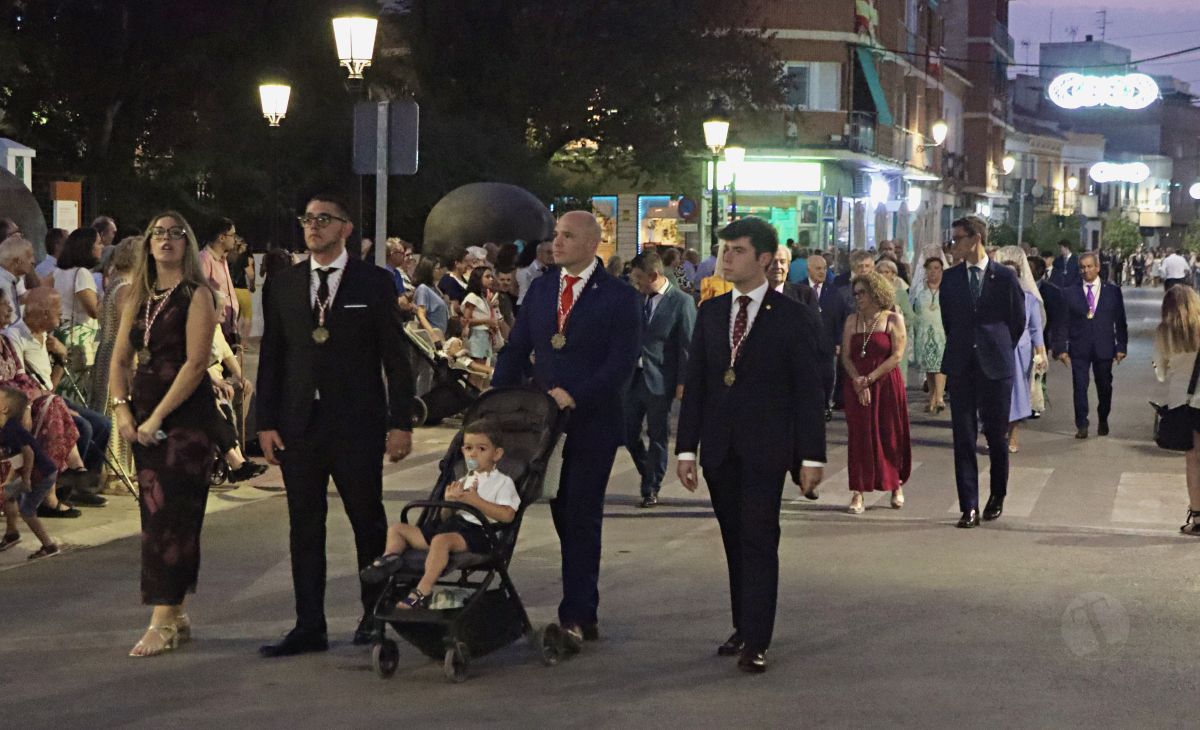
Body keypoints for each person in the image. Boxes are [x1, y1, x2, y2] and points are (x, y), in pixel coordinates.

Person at [256, 193, 414, 658]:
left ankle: (374, 616)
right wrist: (265, 421)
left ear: (345, 228)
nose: (313, 226)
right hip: (300, 423)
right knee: (304, 526)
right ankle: (309, 625)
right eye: (307, 219)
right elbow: (272, 357)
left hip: (356, 422)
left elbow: (395, 358)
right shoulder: (284, 283)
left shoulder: (373, 282)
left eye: (324, 219)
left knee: (367, 520)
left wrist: (400, 422)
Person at [675, 216, 826, 674]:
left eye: (737, 250)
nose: (727, 258)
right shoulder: (712, 312)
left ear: (763, 258)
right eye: (724, 250)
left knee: (759, 539)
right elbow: (697, 384)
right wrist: (686, 449)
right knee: (733, 539)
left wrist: (811, 456)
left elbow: (809, 391)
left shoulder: (793, 317)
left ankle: (758, 638)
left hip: (767, 446)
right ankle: (743, 623)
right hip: (721, 447)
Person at [492, 210, 641, 651]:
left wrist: (576, 395)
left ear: (593, 244)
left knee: (580, 513)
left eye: (568, 236)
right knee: (559, 512)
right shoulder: (541, 289)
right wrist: (496, 399)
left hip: (591, 422)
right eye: (555, 235)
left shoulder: (618, 296)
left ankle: (577, 613)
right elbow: (517, 348)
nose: (556, 243)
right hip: (541, 424)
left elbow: (620, 362)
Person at [107, 211, 221, 657]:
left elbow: (196, 364)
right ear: (148, 244)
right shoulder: (137, 295)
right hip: (143, 413)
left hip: (185, 420)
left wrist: (156, 418)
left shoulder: (197, 295)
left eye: (176, 234)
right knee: (154, 516)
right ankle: (176, 612)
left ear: (187, 243)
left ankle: (162, 620)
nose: (166, 240)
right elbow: (120, 358)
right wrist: (121, 409)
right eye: (158, 233)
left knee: (174, 519)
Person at [360, 419, 519, 604]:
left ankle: (422, 589)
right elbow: (445, 517)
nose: (473, 454)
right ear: (462, 451)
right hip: (453, 527)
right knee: (397, 529)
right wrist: (449, 502)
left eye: (481, 449)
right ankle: (389, 559)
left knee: (441, 541)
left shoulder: (503, 482)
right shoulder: (463, 479)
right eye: (468, 448)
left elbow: (507, 515)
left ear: (497, 454)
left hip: (480, 532)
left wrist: (476, 501)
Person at [940, 216, 1025, 529]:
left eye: (958, 239)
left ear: (975, 239)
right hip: (962, 364)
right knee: (963, 436)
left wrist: (996, 346)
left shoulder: (1004, 277)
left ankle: (997, 495)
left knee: (995, 435)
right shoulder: (951, 279)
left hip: (996, 366)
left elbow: (1017, 321)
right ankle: (969, 506)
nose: (953, 245)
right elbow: (949, 321)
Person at [624, 251, 696, 508]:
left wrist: (683, 382)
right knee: (627, 432)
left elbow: (687, 346)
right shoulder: (636, 299)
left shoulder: (681, 302)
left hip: (660, 380)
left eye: (639, 278)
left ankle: (651, 487)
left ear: (654, 276)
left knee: (657, 435)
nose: (636, 284)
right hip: (633, 379)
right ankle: (648, 470)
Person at [841, 271, 911, 513]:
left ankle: (895, 485)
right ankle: (858, 492)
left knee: (889, 434)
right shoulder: (852, 320)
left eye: (863, 293)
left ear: (875, 293)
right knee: (859, 437)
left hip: (885, 383)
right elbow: (846, 357)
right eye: (855, 293)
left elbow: (897, 355)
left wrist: (870, 379)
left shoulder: (892, 319)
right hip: (857, 384)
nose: (858, 297)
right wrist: (857, 381)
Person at [1052, 252, 1128, 439]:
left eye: (1089, 266)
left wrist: (1121, 346)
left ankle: (1103, 418)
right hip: (1079, 347)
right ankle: (1082, 424)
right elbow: (1062, 323)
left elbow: (1120, 321)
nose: (1086, 271)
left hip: (1104, 346)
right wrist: (1061, 348)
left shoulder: (1112, 292)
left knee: (1104, 386)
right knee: (1080, 386)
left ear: (1098, 268)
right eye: (1082, 267)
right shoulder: (1069, 292)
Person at [89, 237, 137, 489]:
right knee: (117, 411)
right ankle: (114, 474)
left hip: (106, 352)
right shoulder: (126, 288)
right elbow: (127, 330)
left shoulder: (115, 284)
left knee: (106, 407)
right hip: (118, 357)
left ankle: (109, 472)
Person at [1152, 285, 1200, 536]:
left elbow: (1160, 372)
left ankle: (1198, 517)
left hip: (1182, 402)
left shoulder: (1164, 333)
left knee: (1193, 460)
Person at [0, 387, 61, 559]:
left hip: (42, 474)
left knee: (27, 510)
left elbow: (28, 453)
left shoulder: (11, 429)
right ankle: (12, 533)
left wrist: (25, 479)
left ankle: (49, 546)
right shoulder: (5, 429)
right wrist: (10, 479)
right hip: (35, 472)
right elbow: (16, 457)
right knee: (7, 494)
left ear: (4, 408)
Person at [995, 247, 1047, 453]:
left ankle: (1013, 435)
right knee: (997, 393)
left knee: (1017, 393)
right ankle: (997, 433)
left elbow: (1035, 328)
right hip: (997, 350)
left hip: (1020, 352)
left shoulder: (1029, 299)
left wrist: (1040, 353)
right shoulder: (991, 297)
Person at [794, 253, 847, 419]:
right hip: (804, 343)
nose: (822, 272)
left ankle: (824, 406)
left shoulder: (833, 292)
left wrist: (838, 341)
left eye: (824, 268)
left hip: (827, 342)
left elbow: (839, 317)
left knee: (827, 377)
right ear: (808, 270)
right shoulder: (797, 289)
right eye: (818, 268)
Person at [910, 255, 947, 413]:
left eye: (937, 268)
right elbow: (913, 311)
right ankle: (932, 397)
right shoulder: (919, 291)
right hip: (924, 333)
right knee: (929, 368)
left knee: (940, 366)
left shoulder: (948, 290)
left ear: (942, 271)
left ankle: (940, 398)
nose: (933, 272)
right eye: (930, 268)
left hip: (941, 333)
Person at [198, 217, 241, 343]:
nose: (235, 239)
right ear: (221, 238)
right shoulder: (204, 259)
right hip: (216, 332)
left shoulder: (223, 260)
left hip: (229, 329)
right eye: (232, 235)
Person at [875, 259, 913, 387]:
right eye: (880, 272)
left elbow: (910, 316)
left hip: (896, 339)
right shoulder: (872, 293)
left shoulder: (901, 294)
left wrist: (899, 326)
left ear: (893, 275)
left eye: (887, 272)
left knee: (897, 376)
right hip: (878, 338)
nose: (883, 275)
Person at [462, 266, 501, 369]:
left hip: (484, 337)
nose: (491, 279)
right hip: (476, 337)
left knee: (482, 371)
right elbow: (466, 320)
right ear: (478, 278)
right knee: (477, 370)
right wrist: (487, 321)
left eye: (491, 277)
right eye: (487, 277)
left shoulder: (482, 298)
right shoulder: (472, 297)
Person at [412, 255, 450, 345]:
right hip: (431, 338)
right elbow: (421, 315)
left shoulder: (436, 289)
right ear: (429, 270)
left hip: (441, 335)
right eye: (437, 268)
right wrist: (433, 336)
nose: (441, 271)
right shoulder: (423, 289)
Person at [228, 235, 255, 351]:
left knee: (234, 317)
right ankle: (244, 343)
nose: (246, 246)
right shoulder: (244, 258)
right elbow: (251, 275)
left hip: (230, 290)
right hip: (242, 290)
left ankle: (235, 340)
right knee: (247, 316)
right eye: (244, 244)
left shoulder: (228, 257)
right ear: (240, 245)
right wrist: (252, 284)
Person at [0, 234, 34, 325]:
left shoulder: (16, 278)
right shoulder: (1, 282)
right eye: (29, 256)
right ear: (17, 261)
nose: (33, 261)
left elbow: (23, 298)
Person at [516, 240, 554, 305]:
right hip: (527, 305)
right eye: (548, 252)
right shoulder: (525, 271)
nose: (552, 256)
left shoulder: (552, 269)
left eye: (553, 253)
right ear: (539, 253)